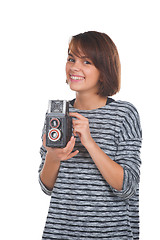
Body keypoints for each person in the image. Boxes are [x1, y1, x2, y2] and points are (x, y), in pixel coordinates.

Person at [38, 31, 142, 240]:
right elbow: (46, 186)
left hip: (111, 234)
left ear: (104, 70)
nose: (74, 67)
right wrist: (52, 156)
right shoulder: (57, 114)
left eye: (87, 62)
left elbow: (128, 186)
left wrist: (90, 143)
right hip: (60, 233)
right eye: (71, 59)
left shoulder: (124, 114)